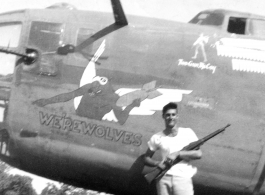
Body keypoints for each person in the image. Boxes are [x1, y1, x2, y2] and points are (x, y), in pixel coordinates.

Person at [144, 102, 202, 195]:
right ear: (163, 116)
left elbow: (198, 154)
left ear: (177, 116)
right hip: (162, 178)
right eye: (167, 115)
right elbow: (146, 158)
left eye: (173, 114)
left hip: (182, 178)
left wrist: (178, 154)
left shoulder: (187, 132)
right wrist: (157, 163)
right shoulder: (157, 137)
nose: (171, 117)